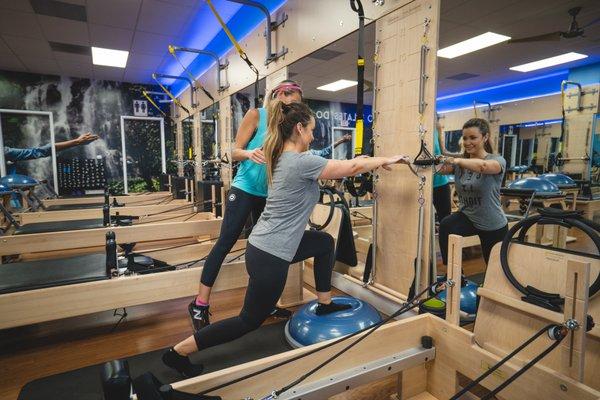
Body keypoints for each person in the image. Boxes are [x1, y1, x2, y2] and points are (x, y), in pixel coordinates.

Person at [163, 101, 409, 377]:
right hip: (271, 254)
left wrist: (367, 162)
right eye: (312, 131)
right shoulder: (300, 161)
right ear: (300, 128)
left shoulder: (281, 155)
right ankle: (178, 352)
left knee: (324, 243)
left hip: (268, 245)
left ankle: (325, 304)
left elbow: (347, 165)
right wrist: (385, 159)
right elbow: (349, 167)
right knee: (248, 320)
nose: (314, 137)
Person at [188, 80, 304, 331]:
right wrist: (250, 154)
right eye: (293, 101)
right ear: (281, 94)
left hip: (267, 195)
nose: (295, 108)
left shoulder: (286, 126)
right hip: (244, 189)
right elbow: (231, 152)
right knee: (225, 243)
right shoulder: (256, 115)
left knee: (263, 250)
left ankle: (263, 304)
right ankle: (200, 304)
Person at [437, 118, 507, 267]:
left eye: (473, 138)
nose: (467, 142)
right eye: (465, 138)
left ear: (485, 137)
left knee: (495, 268)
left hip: (492, 223)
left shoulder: (497, 160)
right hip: (468, 217)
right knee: (446, 225)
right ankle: (453, 272)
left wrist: (456, 161)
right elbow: (439, 170)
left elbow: (483, 166)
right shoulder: (460, 163)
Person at [4, 132, 99, 173]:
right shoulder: (4, 152)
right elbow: (38, 152)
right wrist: (76, 142)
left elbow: (38, 151)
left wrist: (76, 142)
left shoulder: (4, 152)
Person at [432, 120, 451, 222]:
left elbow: (443, 151)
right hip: (422, 183)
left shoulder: (436, 126)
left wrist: (462, 158)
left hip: (440, 182)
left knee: (445, 221)